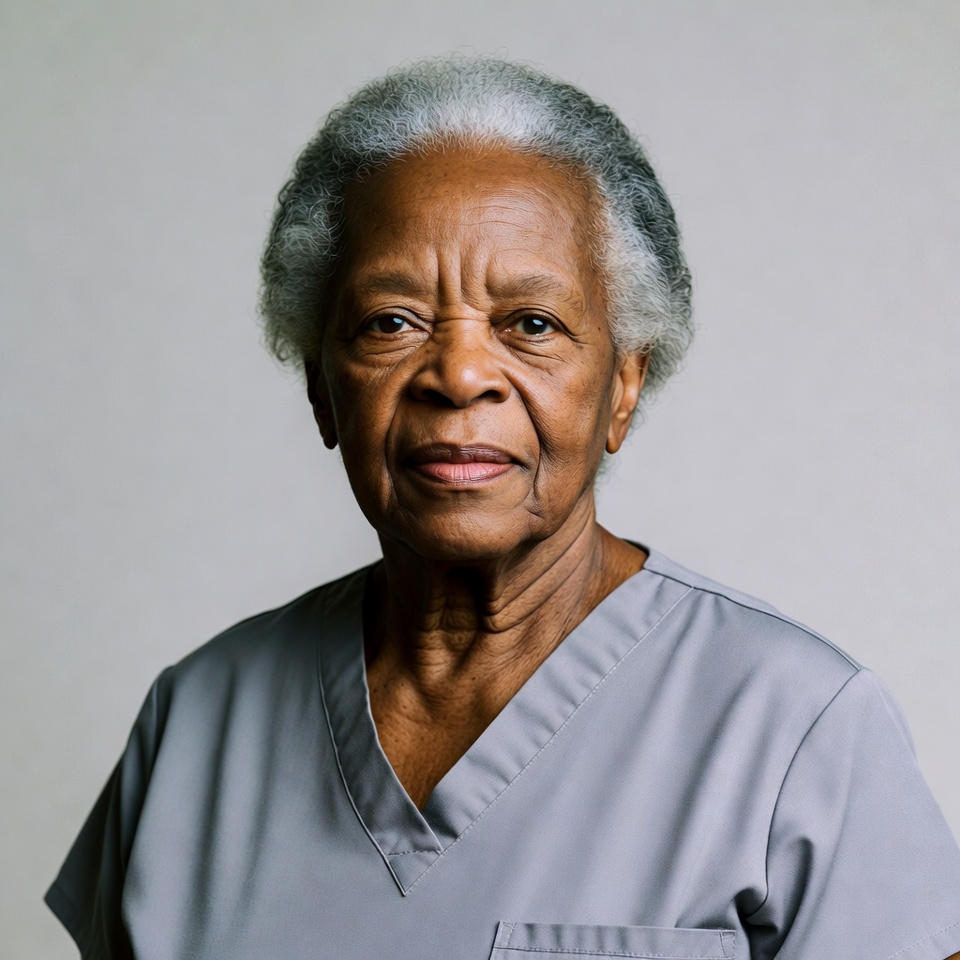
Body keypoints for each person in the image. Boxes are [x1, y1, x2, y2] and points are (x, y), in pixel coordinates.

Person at [46, 56, 960, 960]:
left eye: (531, 324)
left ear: (624, 384)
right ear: (322, 389)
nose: (459, 374)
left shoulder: (798, 725)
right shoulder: (194, 721)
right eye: (391, 322)